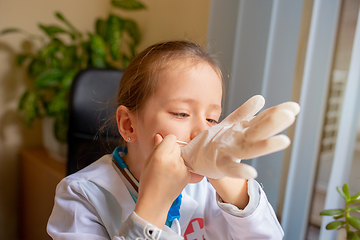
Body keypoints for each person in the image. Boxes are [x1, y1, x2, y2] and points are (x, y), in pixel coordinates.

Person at [47, 41, 298, 240]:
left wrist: (231, 186)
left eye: (212, 119)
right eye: (181, 113)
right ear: (128, 124)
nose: (202, 132)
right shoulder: (80, 194)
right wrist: (153, 206)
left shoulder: (210, 188)